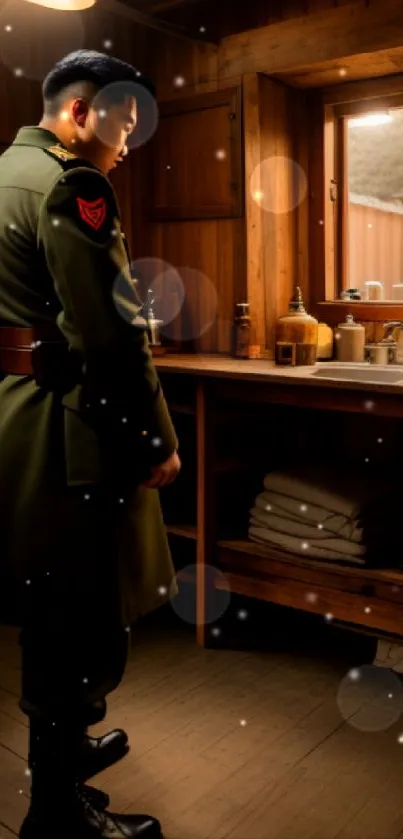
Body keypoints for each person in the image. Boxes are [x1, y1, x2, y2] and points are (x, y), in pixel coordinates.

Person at [0, 50, 181, 839]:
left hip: (11, 416)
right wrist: (156, 442)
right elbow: (111, 337)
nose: (127, 144)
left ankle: (64, 761)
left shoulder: (5, 172)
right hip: (67, 426)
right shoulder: (76, 186)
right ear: (79, 113)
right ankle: (57, 814)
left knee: (46, 601)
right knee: (75, 616)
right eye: (122, 124)